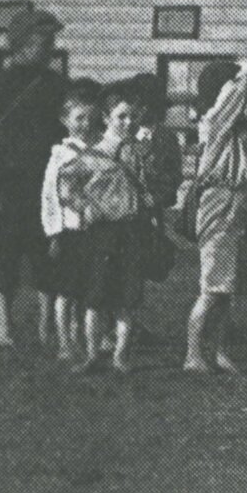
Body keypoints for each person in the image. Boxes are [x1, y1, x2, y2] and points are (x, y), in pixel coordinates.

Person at [0, 6, 69, 349]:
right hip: (9, 183)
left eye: (51, 40)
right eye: (42, 40)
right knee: (4, 254)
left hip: (47, 181)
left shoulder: (57, 85)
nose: (49, 46)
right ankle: (4, 329)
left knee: (48, 253)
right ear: (21, 43)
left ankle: (46, 326)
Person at [182, 61, 247, 375]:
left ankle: (219, 350)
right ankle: (193, 353)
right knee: (211, 286)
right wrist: (245, 72)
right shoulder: (216, 119)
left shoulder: (240, 126)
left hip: (240, 203)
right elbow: (241, 87)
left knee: (227, 288)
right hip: (219, 201)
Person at [61, 81, 150, 373]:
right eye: (122, 116)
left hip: (133, 230)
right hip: (101, 234)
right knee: (95, 296)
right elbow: (66, 182)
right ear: (107, 118)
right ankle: (91, 355)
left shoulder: (138, 152)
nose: (129, 122)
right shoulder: (95, 153)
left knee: (127, 296)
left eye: (134, 116)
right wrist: (82, 206)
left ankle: (121, 356)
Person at [40, 79, 103, 362]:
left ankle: (84, 337)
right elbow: (50, 197)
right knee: (65, 290)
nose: (86, 124)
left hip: (93, 230)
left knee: (86, 288)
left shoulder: (99, 151)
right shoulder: (62, 155)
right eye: (79, 118)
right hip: (68, 231)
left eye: (91, 117)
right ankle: (64, 341)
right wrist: (53, 233)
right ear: (65, 120)